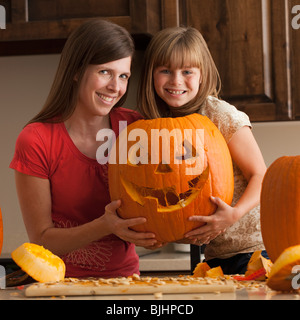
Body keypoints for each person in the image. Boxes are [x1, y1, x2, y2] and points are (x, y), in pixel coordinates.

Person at [10, 19, 158, 278]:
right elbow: (42, 239)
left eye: (123, 75)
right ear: (76, 70)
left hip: (127, 283)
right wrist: (105, 225)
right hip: (60, 286)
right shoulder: (36, 140)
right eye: (104, 72)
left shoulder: (134, 128)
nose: (116, 87)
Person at [137, 26, 268, 274]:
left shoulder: (219, 115)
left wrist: (234, 214)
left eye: (187, 71)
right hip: (216, 255)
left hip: (255, 250)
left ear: (202, 74)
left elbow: (261, 175)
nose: (176, 80)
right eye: (165, 70)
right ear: (151, 75)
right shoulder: (155, 125)